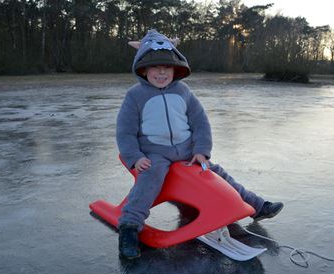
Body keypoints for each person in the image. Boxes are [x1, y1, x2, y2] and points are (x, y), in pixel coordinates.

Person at [116, 29, 283, 259]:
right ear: (143, 68)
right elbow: (124, 131)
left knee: (218, 174)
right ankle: (129, 228)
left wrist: (202, 151)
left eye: (167, 66)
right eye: (155, 66)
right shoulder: (135, 96)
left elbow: (200, 122)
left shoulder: (184, 91)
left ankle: (257, 206)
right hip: (154, 154)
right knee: (149, 180)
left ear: (177, 68)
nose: (161, 72)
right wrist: (135, 157)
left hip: (187, 152)